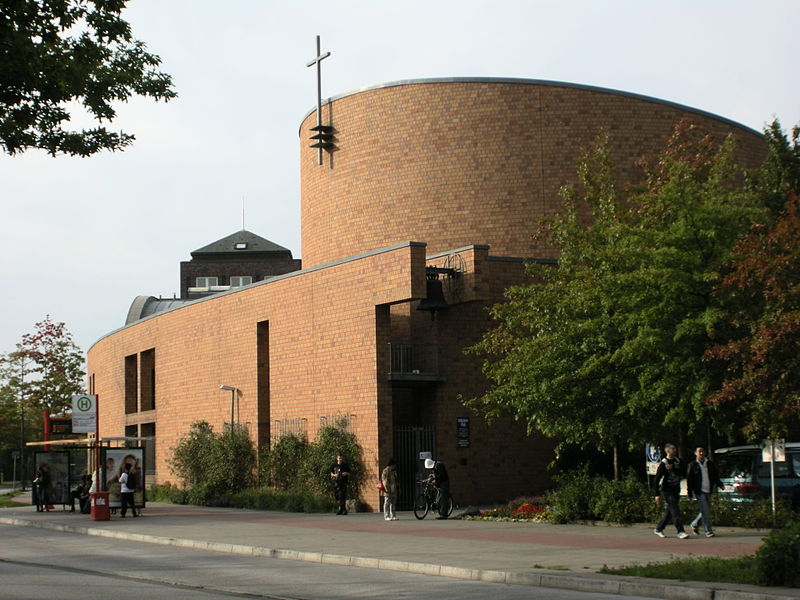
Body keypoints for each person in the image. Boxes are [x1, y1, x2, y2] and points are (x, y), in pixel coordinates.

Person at [686, 446, 723, 537]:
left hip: (708, 490)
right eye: (699, 451)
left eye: (703, 451)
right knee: (705, 510)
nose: (701, 453)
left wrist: (719, 484)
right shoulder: (692, 465)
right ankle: (708, 530)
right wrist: (690, 493)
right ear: (695, 453)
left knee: (706, 510)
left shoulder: (709, 463)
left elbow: (714, 475)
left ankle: (694, 524)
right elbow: (689, 480)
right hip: (699, 491)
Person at [653, 443, 688, 539]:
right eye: (672, 449)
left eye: (675, 448)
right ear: (667, 451)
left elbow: (684, 472)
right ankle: (680, 531)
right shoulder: (664, 463)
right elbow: (657, 478)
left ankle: (659, 528)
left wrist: (674, 469)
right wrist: (656, 494)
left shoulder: (678, 461)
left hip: (676, 488)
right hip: (667, 490)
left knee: (670, 510)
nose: (675, 450)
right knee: (675, 509)